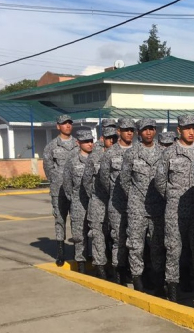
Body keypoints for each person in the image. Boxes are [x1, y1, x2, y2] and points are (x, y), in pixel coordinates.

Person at [154, 115, 194, 302]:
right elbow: (160, 181)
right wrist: (173, 197)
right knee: (173, 249)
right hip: (175, 210)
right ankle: (173, 288)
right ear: (179, 130)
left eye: (193, 128)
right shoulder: (169, 153)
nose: (191, 132)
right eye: (187, 128)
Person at [122, 118, 166, 294]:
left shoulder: (164, 152)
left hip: (157, 207)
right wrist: (135, 197)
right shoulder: (131, 154)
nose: (149, 132)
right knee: (136, 245)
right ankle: (137, 279)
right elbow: (125, 181)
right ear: (139, 132)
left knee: (157, 245)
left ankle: (157, 279)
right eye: (145, 129)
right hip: (137, 207)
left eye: (151, 129)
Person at [99, 118, 135, 285]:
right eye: (126, 129)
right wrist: (116, 193)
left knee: (136, 240)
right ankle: (119, 273)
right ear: (118, 131)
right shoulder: (110, 153)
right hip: (117, 204)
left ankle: (133, 272)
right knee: (118, 240)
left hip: (137, 204)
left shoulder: (138, 150)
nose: (129, 132)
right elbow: (105, 179)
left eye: (132, 130)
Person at [43, 114, 79, 266]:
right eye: (64, 123)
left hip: (77, 189)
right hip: (59, 189)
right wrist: (56, 180)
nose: (68, 125)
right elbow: (48, 166)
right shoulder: (52, 146)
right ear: (58, 126)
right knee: (60, 219)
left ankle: (79, 252)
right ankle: (60, 252)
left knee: (77, 220)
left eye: (69, 123)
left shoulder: (78, 144)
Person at [83, 126, 118, 279]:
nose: (112, 141)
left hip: (115, 202)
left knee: (115, 236)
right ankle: (100, 268)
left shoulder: (120, 155)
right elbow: (86, 180)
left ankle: (116, 268)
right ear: (103, 139)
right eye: (109, 138)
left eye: (115, 138)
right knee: (98, 237)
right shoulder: (94, 157)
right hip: (98, 202)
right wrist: (95, 196)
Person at [62, 129, 95, 273]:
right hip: (78, 202)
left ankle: (96, 261)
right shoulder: (72, 161)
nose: (89, 144)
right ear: (78, 143)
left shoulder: (97, 158)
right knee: (79, 234)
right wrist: (74, 198)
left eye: (91, 141)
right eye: (85, 141)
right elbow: (67, 183)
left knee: (96, 234)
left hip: (95, 202)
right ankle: (81, 263)